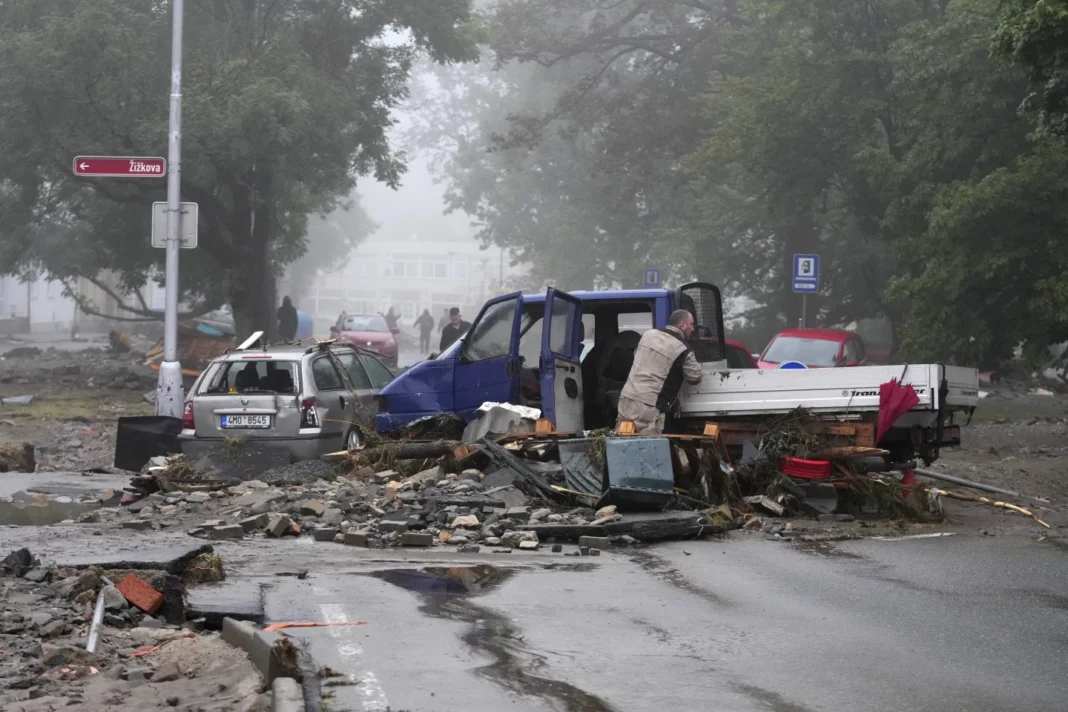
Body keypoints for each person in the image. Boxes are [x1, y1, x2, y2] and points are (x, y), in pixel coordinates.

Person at [615, 309, 703, 435]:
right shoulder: (683, 348)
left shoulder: (648, 335)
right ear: (683, 325)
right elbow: (695, 377)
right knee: (648, 443)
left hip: (627, 398)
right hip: (649, 405)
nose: (693, 328)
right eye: (691, 324)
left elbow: (637, 356)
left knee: (623, 439)